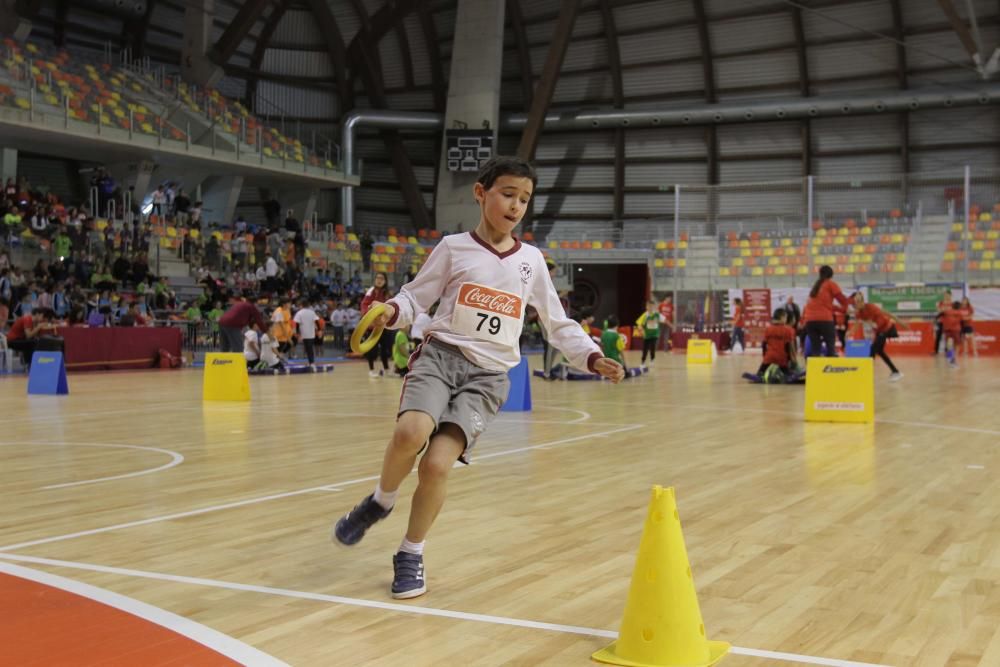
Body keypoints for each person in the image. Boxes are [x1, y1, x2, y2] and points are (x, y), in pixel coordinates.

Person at [332, 156, 624, 600]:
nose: (516, 205)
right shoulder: (453, 247)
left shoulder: (531, 262)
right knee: (411, 432)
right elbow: (416, 297)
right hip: (441, 356)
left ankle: (410, 552)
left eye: (524, 199)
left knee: (436, 465)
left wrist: (591, 355)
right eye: (508, 194)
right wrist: (392, 311)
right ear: (480, 192)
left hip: (488, 378)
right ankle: (381, 501)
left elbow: (556, 321)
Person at [852, 292, 905, 381]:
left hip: (886, 328)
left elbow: (881, 320)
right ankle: (896, 372)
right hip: (880, 331)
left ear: (862, 302)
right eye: (855, 303)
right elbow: (857, 324)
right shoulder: (859, 313)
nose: (856, 305)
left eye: (857, 302)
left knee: (873, 350)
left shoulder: (871, 307)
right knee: (879, 351)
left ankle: (865, 374)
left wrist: (874, 325)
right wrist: (850, 332)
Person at [802, 265, 849, 358]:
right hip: (825, 320)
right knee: (830, 347)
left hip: (810, 321)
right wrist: (845, 308)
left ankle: (816, 371)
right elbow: (842, 299)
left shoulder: (815, 287)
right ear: (831, 275)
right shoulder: (830, 284)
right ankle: (829, 370)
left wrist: (839, 309)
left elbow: (826, 305)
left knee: (815, 349)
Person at [360, 272, 393, 378]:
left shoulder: (388, 293)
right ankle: (371, 370)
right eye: (377, 278)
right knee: (372, 349)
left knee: (385, 349)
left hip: (384, 326)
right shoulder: (371, 291)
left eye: (381, 278)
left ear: (385, 281)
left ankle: (387, 370)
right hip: (372, 326)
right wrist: (369, 317)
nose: (379, 280)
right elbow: (364, 305)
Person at [752, 309, 796, 380]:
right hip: (782, 357)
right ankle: (789, 375)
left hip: (769, 356)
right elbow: (788, 346)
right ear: (782, 317)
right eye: (786, 318)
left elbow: (764, 344)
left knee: (762, 370)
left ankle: (760, 374)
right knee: (786, 371)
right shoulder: (787, 330)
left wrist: (764, 356)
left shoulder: (768, 329)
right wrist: (790, 359)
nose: (786, 320)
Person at [634, 300, 663, 369]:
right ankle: (643, 362)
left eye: (652, 306)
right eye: (649, 306)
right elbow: (639, 323)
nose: (650, 308)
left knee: (653, 347)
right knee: (645, 349)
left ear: (654, 307)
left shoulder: (657, 314)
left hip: (655, 334)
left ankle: (652, 359)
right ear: (646, 307)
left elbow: (664, 320)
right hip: (647, 335)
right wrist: (641, 329)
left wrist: (670, 324)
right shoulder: (645, 315)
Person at [293, 299, 320, 367]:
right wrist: (319, 329)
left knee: (308, 348)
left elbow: (297, 324)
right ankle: (311, 362)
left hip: (304, 333)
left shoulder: (299, 313)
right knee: (309, 348)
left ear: (301, 305)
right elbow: (317, 321)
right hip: (311, 333)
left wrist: (297, 333)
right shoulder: (312, 312)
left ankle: (311, 362)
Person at [940, 300, 963, 368]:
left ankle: (949, 357)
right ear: (959, 307)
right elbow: (961, 321)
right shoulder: (959, 313)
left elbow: (940, 314)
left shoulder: (946, 312)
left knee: (949, 344)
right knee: (957, 345)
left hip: (947, 330)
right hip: (955, 330)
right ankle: (953, 359)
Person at [933, 290, 951, 355]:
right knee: (938, 336)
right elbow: (939, 310)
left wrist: (944, 310)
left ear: (950, 295)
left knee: (948, 336)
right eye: (945, 295)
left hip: (949, 322)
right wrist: (943, 310)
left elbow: (952, 311)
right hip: (941, 321)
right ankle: (936, 351)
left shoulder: (952, 303)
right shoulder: (941, 303)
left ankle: (947, 350)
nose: (946, 296)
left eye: (947, 295)